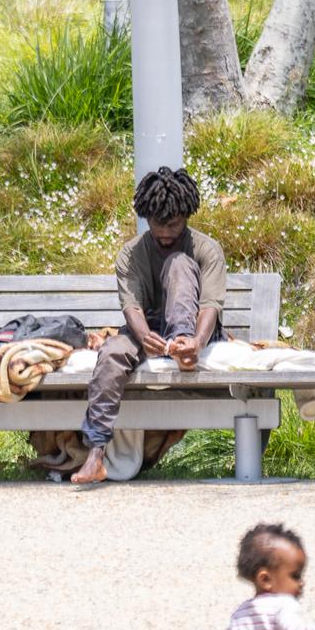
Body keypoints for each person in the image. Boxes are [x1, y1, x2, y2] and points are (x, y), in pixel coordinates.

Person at [72, 167, 229, 484]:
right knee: (112, 351)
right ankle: (96, 454)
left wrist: (195, 342)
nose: (166, 231)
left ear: (186, 215)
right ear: (147, 217)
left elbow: (210, 305)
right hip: (147, 327)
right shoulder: (130, 254)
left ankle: (182, 346)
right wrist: (144, 337)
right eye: (158, 224)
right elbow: (131, 306)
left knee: (179, 263)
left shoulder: (205, 249)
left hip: (195, 329)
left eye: (174, 223)